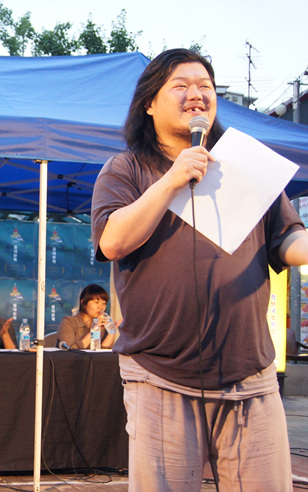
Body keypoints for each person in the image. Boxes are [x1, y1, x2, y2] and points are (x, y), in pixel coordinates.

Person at [91, 48, 308, 490]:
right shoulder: (126, 169)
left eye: (205, 86)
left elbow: (286, 240)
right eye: (181, 86)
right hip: (159, 374)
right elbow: (112, 241)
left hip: (250, 374)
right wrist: (173, 179)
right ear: (149, 103)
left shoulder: (245, 166)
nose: (197, 94)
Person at [57, 283, 118, 350]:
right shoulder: (68, 322)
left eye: (104, 303)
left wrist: (112, 331)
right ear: (83, 303)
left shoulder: (102, 325)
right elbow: (71, 350)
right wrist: (95, 328)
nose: (101, 307)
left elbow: (102, 351)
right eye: (96, 302)